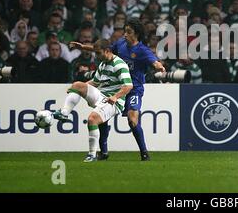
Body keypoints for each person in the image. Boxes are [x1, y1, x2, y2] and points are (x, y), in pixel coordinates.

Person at [69, 18, 166, 161]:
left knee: (133, 120)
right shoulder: (120, 44)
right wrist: (83, 47)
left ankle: (144, 153)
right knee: (101, 117)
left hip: (134, 89)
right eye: (125, 31)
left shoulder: (143, 51)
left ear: (137, 34)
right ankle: (104, 152)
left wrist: (159, 66)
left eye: (129, 32)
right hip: (114, 87)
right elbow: (103, 50)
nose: (125, 35)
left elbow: (155, 62)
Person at [52, 39, 133, 162]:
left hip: (114, 101)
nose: (96, 56)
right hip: (101, 95)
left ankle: (92, 154)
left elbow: (128, 86)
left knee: (92, 119)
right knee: (77, 84)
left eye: (99, 53)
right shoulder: (102, 64)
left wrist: (115, 97)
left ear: (107, 51)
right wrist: (78, 89)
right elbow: (95, 82)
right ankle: (64, 113)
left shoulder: (119, 64)